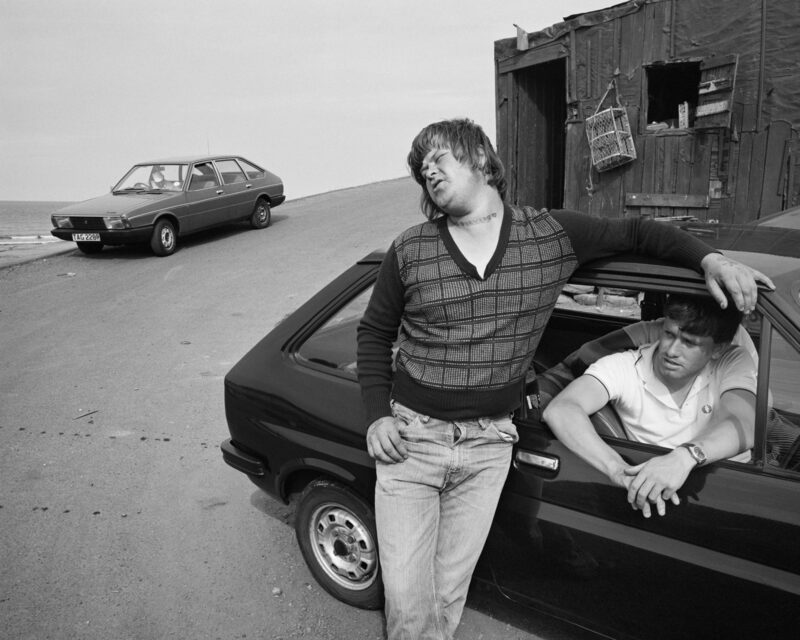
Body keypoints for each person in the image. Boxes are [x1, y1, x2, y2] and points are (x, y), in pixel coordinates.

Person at [356, 118, 772, 640]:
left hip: (490, 446)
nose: (426, 169)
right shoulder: (410, 248)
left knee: (446, 595)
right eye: (420, 168)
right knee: (410, 606)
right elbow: (373, 334)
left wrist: (710, 259)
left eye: (438, 157)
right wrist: (376, 415)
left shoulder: (549, 234)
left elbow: (639, 233)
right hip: (413, 441)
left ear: (482, 159)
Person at [543, 293, 757, 520]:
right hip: (685, 506)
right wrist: (616, 469)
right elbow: (561, 409)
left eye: (689, 343)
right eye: (669, 334)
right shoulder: (625, 367)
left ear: (718, 349)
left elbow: (744, 422)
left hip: (741, 490)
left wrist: (683, 458)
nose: (672, 351)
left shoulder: (731, 360)